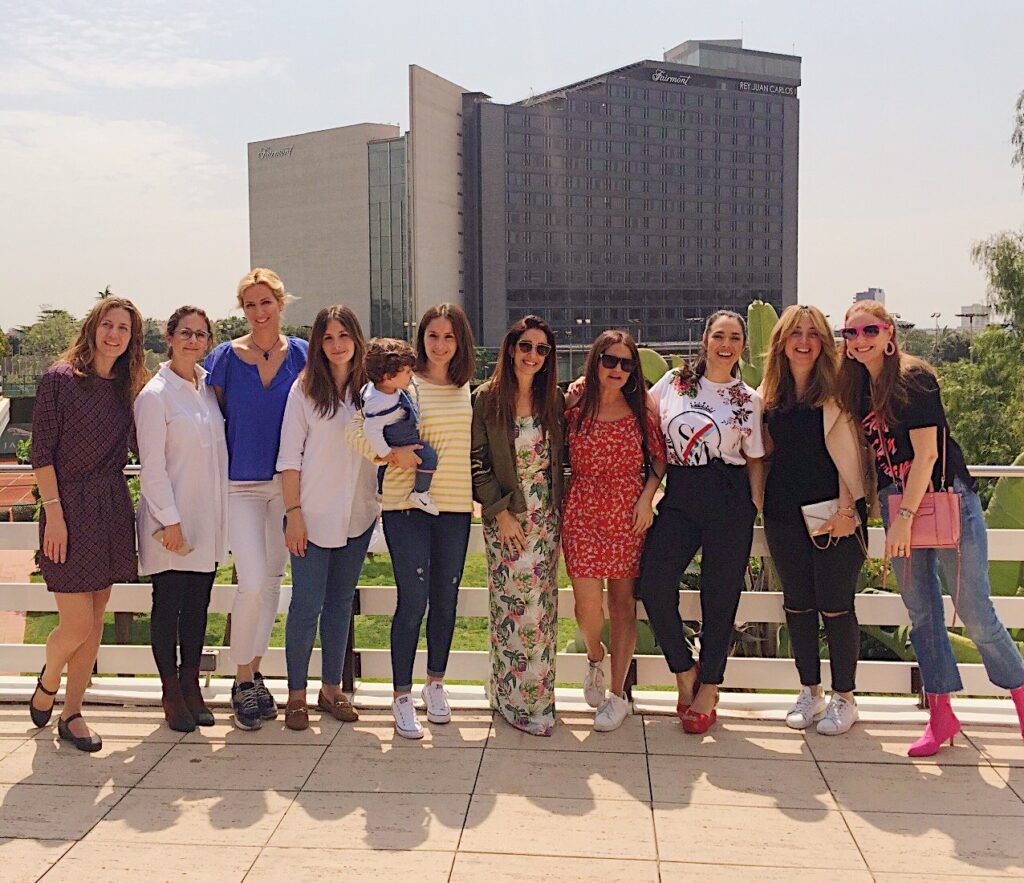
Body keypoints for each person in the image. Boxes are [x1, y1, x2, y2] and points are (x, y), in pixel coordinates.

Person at [838, 299, 1024, 754]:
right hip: (898, 500)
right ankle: (941, 715)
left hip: (944, 499)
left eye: (870, 330)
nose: (860, 340)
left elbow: (927, 455)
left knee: (975, 611)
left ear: (888, 333)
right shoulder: (857, 388)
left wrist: (902, 519)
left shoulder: (912, 378)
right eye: (851, 333)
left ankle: (1021, 698)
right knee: (921, 613)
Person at [347, 304, 476, 739]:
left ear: (460, 342)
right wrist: (390, 455)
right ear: (421, 339)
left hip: (454, 508)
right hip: (405, 506)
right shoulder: (403, 382)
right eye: (432, 335)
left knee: (446, 599)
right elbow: (354, 430)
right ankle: (401, 695)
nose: (440, 345)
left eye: (449, 336)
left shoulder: (464, 387)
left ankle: (435, 684)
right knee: (413, 599)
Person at [637, 310, 765, 735]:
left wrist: (754, 504)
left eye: (735, 337)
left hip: (730, 497)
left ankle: (709, 685)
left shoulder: (748, 399)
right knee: (654, 583)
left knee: (721, 596)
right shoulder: (675, 382)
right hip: (680, 492)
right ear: (705, 339)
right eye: (719, 336)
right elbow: (637, 407)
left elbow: (755, 458)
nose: (726, 345)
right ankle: (683, 670)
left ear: (742, 345)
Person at [28, 296, 147, 751]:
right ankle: (49, 676)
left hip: (111, 505)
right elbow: (42, 454)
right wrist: (54, 516)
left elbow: (145, 444)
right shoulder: (59, 379)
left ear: (132, 339)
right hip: (67, 507)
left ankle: (73, 713)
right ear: (93, 327)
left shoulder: (127, 388)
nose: (114, 334)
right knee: (75, 625)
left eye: (124, 328)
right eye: (108, 324)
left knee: (96, 619)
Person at [205, 268, 308, 731]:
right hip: (240, 486)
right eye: (250, 304)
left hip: (285, 487)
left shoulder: (303, 355)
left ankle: (255, 675)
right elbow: (209, 417)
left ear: (280, 304)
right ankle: (241, 677)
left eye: (266, 302)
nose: (259, 311)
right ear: (242, 309)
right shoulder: (225, 358)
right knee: (249, 581)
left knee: (271, 583)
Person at [759, 305, 869, 736]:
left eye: (812, 334)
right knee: (798, 604)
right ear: (781, 342)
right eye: (795, 334)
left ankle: (845, 698)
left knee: (837, 605)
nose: (803, 342)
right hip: (783, 511)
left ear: (824, 342)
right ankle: (810, 691)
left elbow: (853, 453)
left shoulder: (840, 390)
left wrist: (848, 511)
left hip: (834, 511)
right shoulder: (770, 393)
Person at [278, 306, 379, 731]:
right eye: (328, 337)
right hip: (312, 517)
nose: (337, 345)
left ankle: (332, 689)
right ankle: (296, 695)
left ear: (357, 339)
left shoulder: (372, 391)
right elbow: (289, 460)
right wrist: (294, 515)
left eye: (344, 335)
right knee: (306, 605)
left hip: (359, 515)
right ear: (318, 344)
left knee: (340, 604)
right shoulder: (304, 391)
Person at [562, 330, 666, 732]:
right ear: (596, 361)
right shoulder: (575, 406)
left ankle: (618, 693)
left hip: (627, 511)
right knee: (587, 603)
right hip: (583, 509)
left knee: (623, 604)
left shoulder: (641, 408)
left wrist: (646, 499)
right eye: (610, 360)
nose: (617, 369)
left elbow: (659, 459)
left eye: (626, 363)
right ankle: (594, 655)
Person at [472, 315, 565, 736]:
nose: (532, 355)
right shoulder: (486, 399)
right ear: (511, 349)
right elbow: (477, 462)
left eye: (541, 349)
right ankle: (518, 706)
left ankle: (536, 700)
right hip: (507, 520)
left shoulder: (553, 400)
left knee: (542, 614)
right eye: (525, 346)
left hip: (546, 521)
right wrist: (501, 513)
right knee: (515, 611)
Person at [135, 305, 227, 732]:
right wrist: (170, 520)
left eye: (201, 334)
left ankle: (192, 685)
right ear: (170, 338)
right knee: (168, 606)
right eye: (185, 333)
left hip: (205, 519)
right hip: (168, 521)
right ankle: (171, 691)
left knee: (197, 607)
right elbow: (151, 467)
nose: (193, 340)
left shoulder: (208, 390)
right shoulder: (155, 396)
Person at [362, 337, 439, 516]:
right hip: (403, 439)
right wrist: (387, 453)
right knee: (429, 456)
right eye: (406, 372)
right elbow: (370, 429)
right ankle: (420, 493)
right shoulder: (379, 402)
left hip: (398, 435)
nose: (411, 375)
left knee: (383, 468)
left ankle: (380, 490)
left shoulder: (382, 389)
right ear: (388, 377)